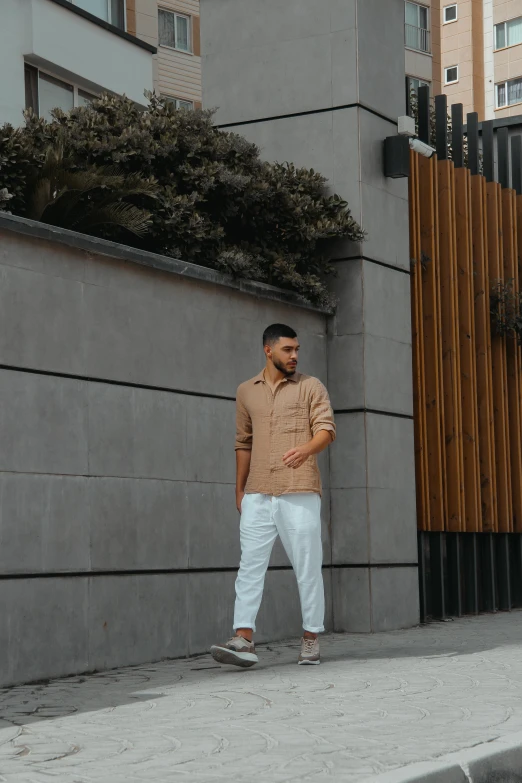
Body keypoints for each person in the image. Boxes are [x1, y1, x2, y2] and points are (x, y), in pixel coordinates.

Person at [210, 323, 335, 668]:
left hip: (299, 490)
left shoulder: (311, 386)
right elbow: (243, 442)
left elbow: (326, 429)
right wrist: (240, 488)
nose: (295, 355)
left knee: (307, 567)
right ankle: (243, 639)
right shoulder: (245, 391)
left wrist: (306, 449)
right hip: (257, 492)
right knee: (250, 566)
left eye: (297, 350)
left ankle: (311, 637)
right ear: (268, 350)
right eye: (287, 350)